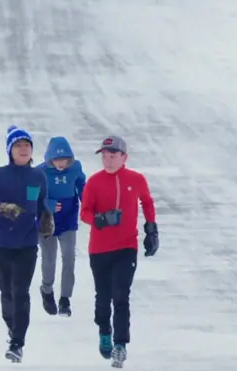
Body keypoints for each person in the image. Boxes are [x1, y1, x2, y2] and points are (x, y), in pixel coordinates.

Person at [0, 125, 53, 363]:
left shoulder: (38, 176)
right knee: (7, 292)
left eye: (27, 146)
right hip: (1, 243)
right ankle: (12, 326)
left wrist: (46, 217)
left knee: (21, 292)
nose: (23, 149)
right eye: (18, 146)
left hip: (27, 244)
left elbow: (40, 203)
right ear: (10, 150)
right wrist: (0, 208)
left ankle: (17, 342)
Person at [79, 135, 159, 368]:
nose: (108, 160)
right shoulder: (94, 182)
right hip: (100, 250)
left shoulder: (136, 179)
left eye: (112, 156)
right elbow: (84, 212)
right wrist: (100, 219)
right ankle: (105, 330)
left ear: (124, 157)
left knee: (121, 296)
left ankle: (120, 344)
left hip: (126, 247)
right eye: (104, 156)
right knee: (103, 298)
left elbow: (147, 202)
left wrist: (151, 229)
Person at [35, 136, 86, 317]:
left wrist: (86, 202)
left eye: (64, 160)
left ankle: (65, 299)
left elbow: (82, 185)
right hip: (46, 219)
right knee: (49, 258)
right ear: (50, 159)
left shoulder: (76, 168)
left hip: (68, 218)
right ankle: (47, 289)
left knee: (69, 256)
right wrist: (47, 203)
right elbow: (30, 195)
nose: (61, 164)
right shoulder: (39, 172)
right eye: (57, 160)